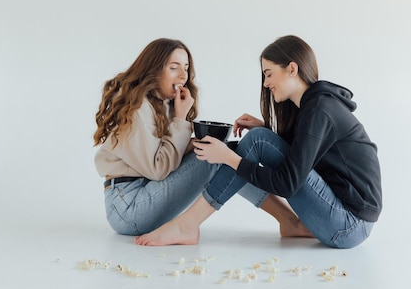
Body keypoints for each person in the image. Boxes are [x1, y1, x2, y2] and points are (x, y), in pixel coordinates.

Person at [135, 35, 382, 248]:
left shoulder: (319, 110)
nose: (266, 83)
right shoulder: (315, 107)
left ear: (292, 69)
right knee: (258, 140)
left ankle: (187, 225)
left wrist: (229, 158)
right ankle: (285, 224)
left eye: (269, 73)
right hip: (345, 221)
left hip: (348, 226)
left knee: (255, 143)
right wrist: (266, 131)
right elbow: (306, 155)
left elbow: (287, 183)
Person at [94, 38, 308, 236]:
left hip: (146, 195)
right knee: (218, 155)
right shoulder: (138, 109)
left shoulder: (161, 105)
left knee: (222, 152)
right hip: (128, 207)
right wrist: (181, 118)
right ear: (154, 69)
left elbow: (164, 155)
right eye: (174, 67)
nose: (182, 76)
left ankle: (287, 220)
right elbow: (158, 169)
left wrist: (193, 142)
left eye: (186, 68)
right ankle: (287, 220)